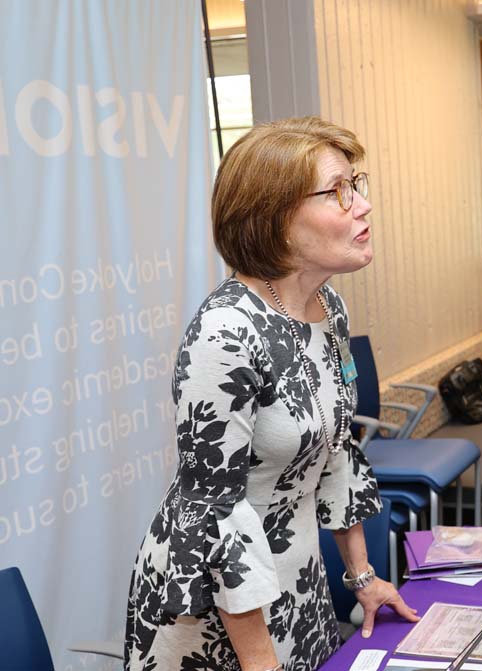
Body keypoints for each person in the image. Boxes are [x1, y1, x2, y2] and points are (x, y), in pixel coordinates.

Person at [124, 117, 418, 671]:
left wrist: (363, 578)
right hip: (222, 618)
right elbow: (212, 513)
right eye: (337, 191)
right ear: (274, 221)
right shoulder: (225, 333)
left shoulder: (329, 309)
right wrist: (261, 664)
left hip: (296, 583)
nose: (362, 205)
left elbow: (336, 450)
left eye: (358, 184)